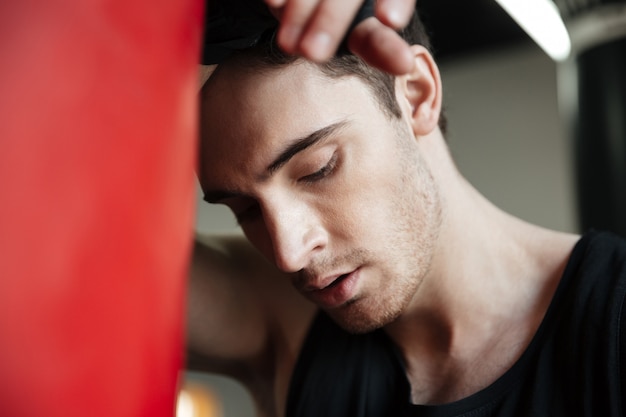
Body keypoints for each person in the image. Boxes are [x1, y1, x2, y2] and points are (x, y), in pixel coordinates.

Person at [188, 4, 626, 417]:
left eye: (317, 171)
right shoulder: (282, 317)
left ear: (416, 94)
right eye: (244, 209)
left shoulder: (612, 312)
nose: (290, 253)